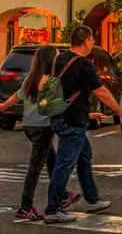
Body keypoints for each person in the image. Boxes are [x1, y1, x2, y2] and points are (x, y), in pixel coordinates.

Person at [41, 25, 122, 225]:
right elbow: (101, 92)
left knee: (84, 157)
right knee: (65, 164)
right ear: (86, 41)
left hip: (58, 115)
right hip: (73, 121)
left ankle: (91, 198)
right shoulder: (84, 65)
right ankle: (52, 209)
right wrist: (119, 110)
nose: (93, 44)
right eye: (92, 40)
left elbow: (45, 85)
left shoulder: (57, 59)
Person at [0, 45, 81, 223]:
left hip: (29, 125)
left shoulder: (32, 78)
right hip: (43, 127)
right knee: (35, 169)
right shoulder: (51, 80)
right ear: (51, 60)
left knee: (52, 161)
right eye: (57, 57)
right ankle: (25, 207)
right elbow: (56, 105)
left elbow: (18, 95)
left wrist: (3, 106)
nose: (59, 60)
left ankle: (62, 194)